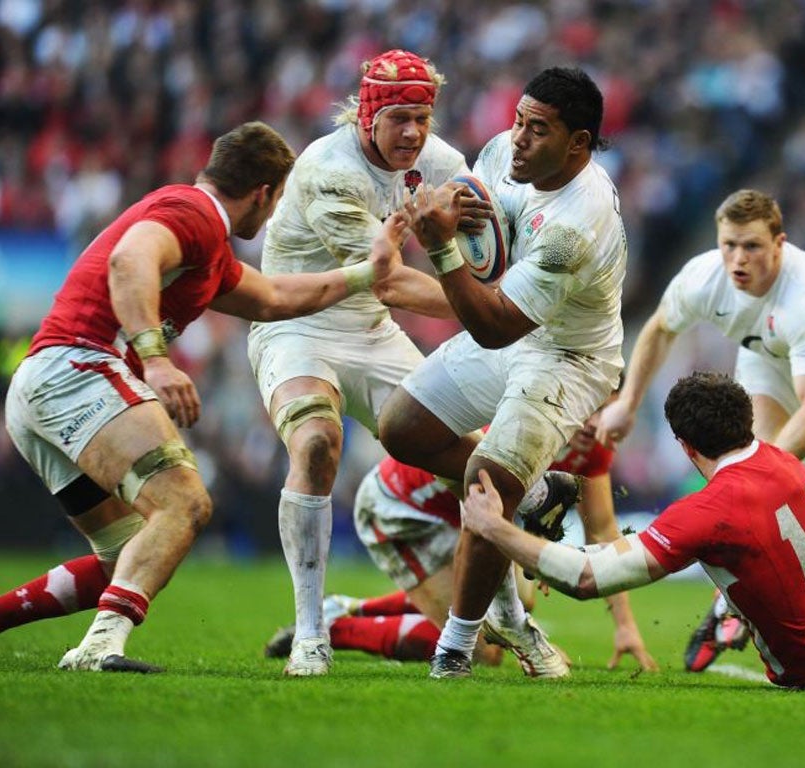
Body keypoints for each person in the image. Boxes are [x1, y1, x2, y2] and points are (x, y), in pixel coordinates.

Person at [1, 121, 407, 672]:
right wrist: (157, 358)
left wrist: (369, 273)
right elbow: (129, 261)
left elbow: (272, 297)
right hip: (81, 366)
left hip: (41, 384)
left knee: (128, 555)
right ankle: (99, 647)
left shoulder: (204, 242)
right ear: (264, 193)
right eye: (277, 199)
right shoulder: (193, 214)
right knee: (185, 503)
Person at [246, 50, 571, 677]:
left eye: (422, 117)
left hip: (372, 332)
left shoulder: (442, 164)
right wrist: (494, 309)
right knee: (316, 441)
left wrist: (505, 279)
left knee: (479, 462)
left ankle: (510, 616)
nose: (413, 134)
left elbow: (485, 247)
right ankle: (313, 632)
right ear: (368, 116)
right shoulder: (325, 170)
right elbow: (387, 280)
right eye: (399, 119)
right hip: (299, 327)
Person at [463, 371, 805, 694]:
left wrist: (497, 529)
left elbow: (590, 577)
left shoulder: (706, 511)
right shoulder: (787, 461)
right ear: (746, 421)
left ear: (685, 446)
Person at [378, 66, 628, 679]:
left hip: (570, 357)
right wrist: (451, 209)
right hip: (519, 327)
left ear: (578, 143)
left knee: (488, 482)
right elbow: (479, 221)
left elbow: (492, 327)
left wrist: (440, 248)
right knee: (402, 428)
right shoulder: (502, 151)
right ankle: (535, 500)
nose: (516, 138)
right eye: (518, 120)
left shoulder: (575, 225)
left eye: (536, 130)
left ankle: (455, 652)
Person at [595, 188, 805, 671]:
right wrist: (626, 403)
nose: (737, 259)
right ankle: (736, 609)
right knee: (746, 489)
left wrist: (757, 474)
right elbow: (660, 328)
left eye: (751, 246)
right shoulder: (706, 277)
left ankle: (732, 610)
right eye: (729, 245)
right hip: (766, 358)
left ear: (779, 244)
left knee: (773, 495)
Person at [263, 407, 657, 672]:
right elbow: (484, 507)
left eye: (607, 408)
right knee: (485, 647)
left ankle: (350, 609)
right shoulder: (524, 428)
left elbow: (603, 528)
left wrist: (625, 625)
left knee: (518, 599)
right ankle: (337, 629)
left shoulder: (591, 448)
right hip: (402, 511)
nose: (595, 423)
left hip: (465, 518)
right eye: (591, 408)